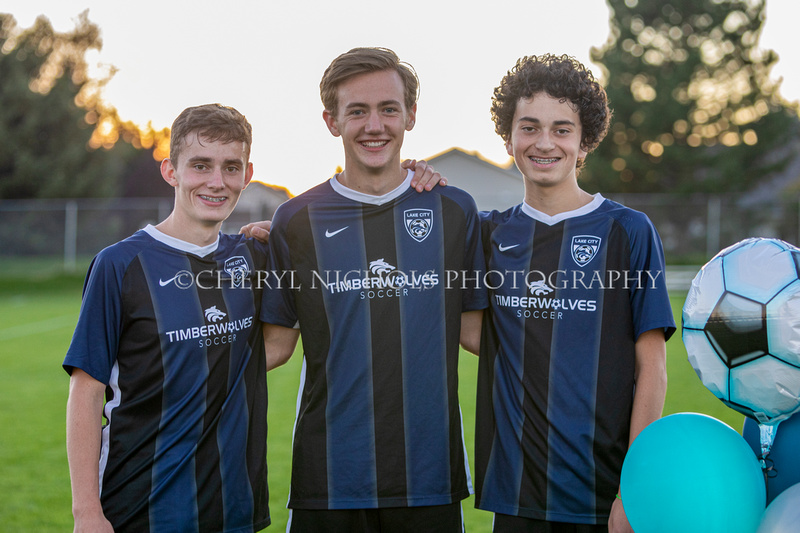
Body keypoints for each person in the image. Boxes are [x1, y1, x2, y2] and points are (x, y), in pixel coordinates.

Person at [259, 47, 487, 532]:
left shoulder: (454, 211)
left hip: (429, 475)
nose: (374, 125)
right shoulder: (296, 220)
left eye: (388, 108)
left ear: (411, 115)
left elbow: (477, 335)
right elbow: (274, 347)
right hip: (329, 476)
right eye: (357, 111)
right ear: (331, 121)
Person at [467, 54, 676, 533]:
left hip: (602, 498)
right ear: (509, 138)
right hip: (516, 496)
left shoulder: (628, 231)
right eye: (530, 127)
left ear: (585, 143)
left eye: (562, 129)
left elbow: (654, 367)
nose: (545, 143)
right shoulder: (487, 236)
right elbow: (468, 329)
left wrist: (633, 489)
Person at [64, 104, 271, 533]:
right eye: (201, 166)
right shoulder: (120, 264)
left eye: (231, 168)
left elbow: (279, 345)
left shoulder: (254, 257)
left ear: (247, 174)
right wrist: (86, 511)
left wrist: (415, 178)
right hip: (139, 508)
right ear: (170, 171)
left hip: (234, 509)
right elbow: (86, 390)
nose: (217, 182)